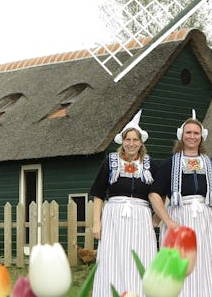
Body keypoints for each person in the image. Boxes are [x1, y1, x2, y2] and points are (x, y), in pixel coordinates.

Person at [89, 110, 159, 297]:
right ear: (122, 141)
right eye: (128, 139)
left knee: (141, 258)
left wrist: (157, 218)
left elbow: (162, 192)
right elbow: (98, 194)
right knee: (112, 258)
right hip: (113, 218)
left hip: (141, 218)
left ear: (141, 142)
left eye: (135, 140)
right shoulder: (110, 162)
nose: (131, 144)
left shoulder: (150, 164)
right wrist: (97, 223)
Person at [149, 110, 212, 296]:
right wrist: (167, 221)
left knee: (204, 262)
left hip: (205, 219)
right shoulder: (170, 163)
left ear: (201, 137)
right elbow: (155, 194)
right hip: (179, 217)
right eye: (189, 132)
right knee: (179, 265)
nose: (192, 136)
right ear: (181, 135)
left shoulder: (210, 163)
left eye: (196, 133)